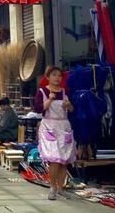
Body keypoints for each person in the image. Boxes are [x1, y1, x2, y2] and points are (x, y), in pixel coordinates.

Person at [34, 66, 75, 201]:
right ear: (48, 77)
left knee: (64, 159)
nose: (57, 78)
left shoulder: (64, 92)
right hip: (50, 126)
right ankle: (52, 187)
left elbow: (72, 109)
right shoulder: (42, 91)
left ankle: (61, 188)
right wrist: (50, 99)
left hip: (64, 126)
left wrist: (68, 105)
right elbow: (38, 109)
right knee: (54, 158)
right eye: (54, 75)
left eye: (59, 75)